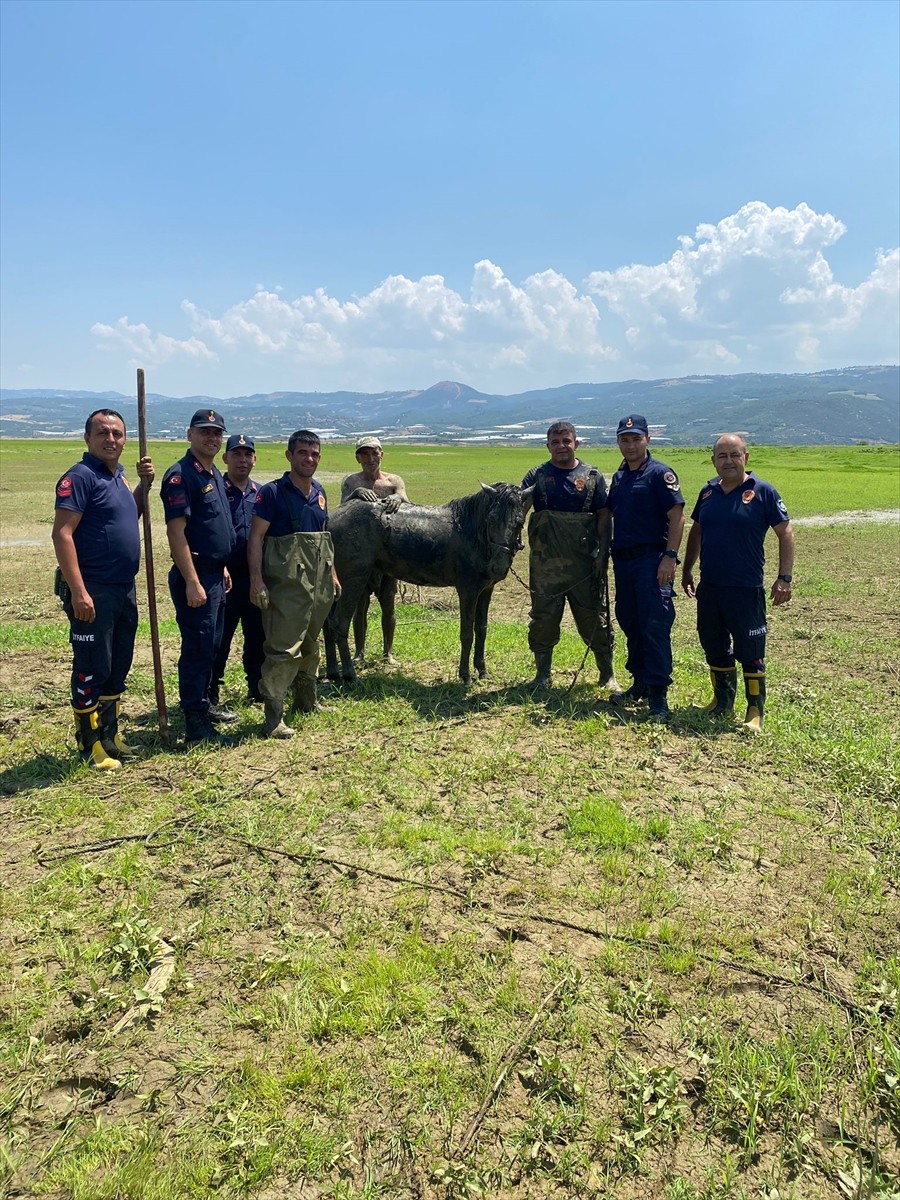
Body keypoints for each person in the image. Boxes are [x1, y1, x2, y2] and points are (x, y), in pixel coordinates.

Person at [52, 409, 154, 769]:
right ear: (88, 438)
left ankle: (111, 737)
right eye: (103, 433)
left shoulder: (118, 476)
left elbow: (127, 516)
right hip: (93, 589)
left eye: (117, 433)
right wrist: (79, 591)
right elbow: (62, 534)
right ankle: (90, 744)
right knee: (91, 666)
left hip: (123, 587)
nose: (111, 439)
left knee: (117, 665)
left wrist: (144, 486)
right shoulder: (80, 477)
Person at [681, 433, 794, 733]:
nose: (728, 461)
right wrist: (687, 569)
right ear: (713, 460)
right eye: (722, 456)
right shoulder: (708, 492)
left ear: (746, 457)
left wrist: (784, 578)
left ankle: (755, 710)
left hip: (746, 588)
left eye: (734, 455)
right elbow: (696, 531)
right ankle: (721, 702)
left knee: (751, 651)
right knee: (714, 644)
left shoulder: (763, 491)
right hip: (710, 587)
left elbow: (785, 532)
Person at [248, 430, 339, 738]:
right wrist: (257, 580)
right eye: (303, 453)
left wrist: (333, 576)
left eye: (315, 454)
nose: (309, 459)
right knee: (284, 647)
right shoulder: (272, 493)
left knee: (312, 642)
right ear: (289, 455)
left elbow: (325, 538)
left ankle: (306, 700)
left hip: (318, 582)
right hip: (286, 584)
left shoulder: (320, 492)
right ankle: (273, 717)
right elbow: (256, 538)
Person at [520, 421, 619, 692]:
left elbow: (604, 516)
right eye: (555, 442)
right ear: (548, 446)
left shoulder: (592, 476)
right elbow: (520, 509)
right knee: (543, 618)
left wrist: (603, 554)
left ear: (576, 443)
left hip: (585, 565)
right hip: (545, 565)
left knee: (595, 618)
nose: (561, 446)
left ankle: (607, 674)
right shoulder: (537, 476)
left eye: (566, 440)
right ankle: (542, 675)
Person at [161, 408, 236, 745]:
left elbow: (209, 527)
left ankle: (205, 706)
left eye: (217, 433)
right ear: (189, 434)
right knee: (198, 649)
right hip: (196, 577)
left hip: (214, 575)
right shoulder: (181, 475)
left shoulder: (213, 472)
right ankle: (195, 725)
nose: (211, 438)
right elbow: (176, 533)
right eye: (204, 431)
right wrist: (192, 581)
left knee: (213, 646)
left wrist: (221, 565)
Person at [606, 414, 685, 721]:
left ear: (647, 440)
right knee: (631, 623)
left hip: (652, 561)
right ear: (618, 442)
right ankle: (639, 682)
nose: (630, 445)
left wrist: (670, 557)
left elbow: (677, 517)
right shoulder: (620, 476)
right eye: (624, 440)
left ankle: (658, 697)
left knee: (654, 626)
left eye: (636, 439)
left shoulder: (660, 474)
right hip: (624, 563)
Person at [340, 435, 410, 663]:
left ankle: (388, 652)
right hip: (361, 553)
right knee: (359, 605)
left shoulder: (393, 481)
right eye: (365, 454)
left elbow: (408, 504)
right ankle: (359, 652)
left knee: (388, 604)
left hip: (389, 554)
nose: (370, 458)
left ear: (382, 455)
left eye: (374, 453)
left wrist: (398, 499)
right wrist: (356, 494)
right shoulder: (351, 482)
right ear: (358, 458)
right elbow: (342, 511)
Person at [209, 433, 265, 707]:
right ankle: (211, 692)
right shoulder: (216, 490)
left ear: (254, 459)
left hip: (255, 578)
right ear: (225, 458)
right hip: (225, 579)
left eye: (247, 454)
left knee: (257, 637)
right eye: (236, 454)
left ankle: (257, 688)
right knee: (219, 639)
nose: (242, 460)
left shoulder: (262, 494)